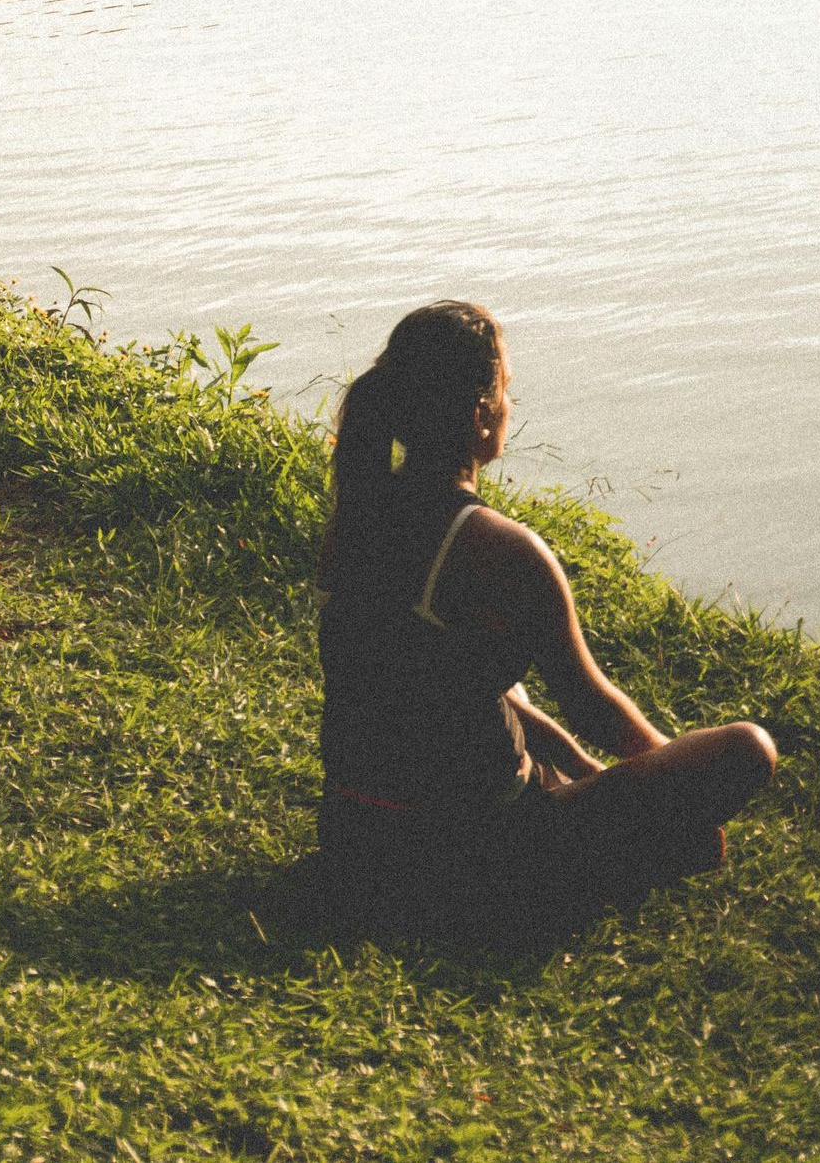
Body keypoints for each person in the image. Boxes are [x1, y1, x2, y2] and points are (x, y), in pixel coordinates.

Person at [317, 301, 777, 945]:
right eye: (507, 391)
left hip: (355, 837)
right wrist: (668, 778)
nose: (510, 406)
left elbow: (447, 685)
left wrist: (586, 771)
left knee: (488, 674)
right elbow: (595, 705)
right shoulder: (502, 550)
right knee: (745, 750)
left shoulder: (360, 515)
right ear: (480, 416)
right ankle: (607, 854)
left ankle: (594, 815)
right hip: (472, 859)